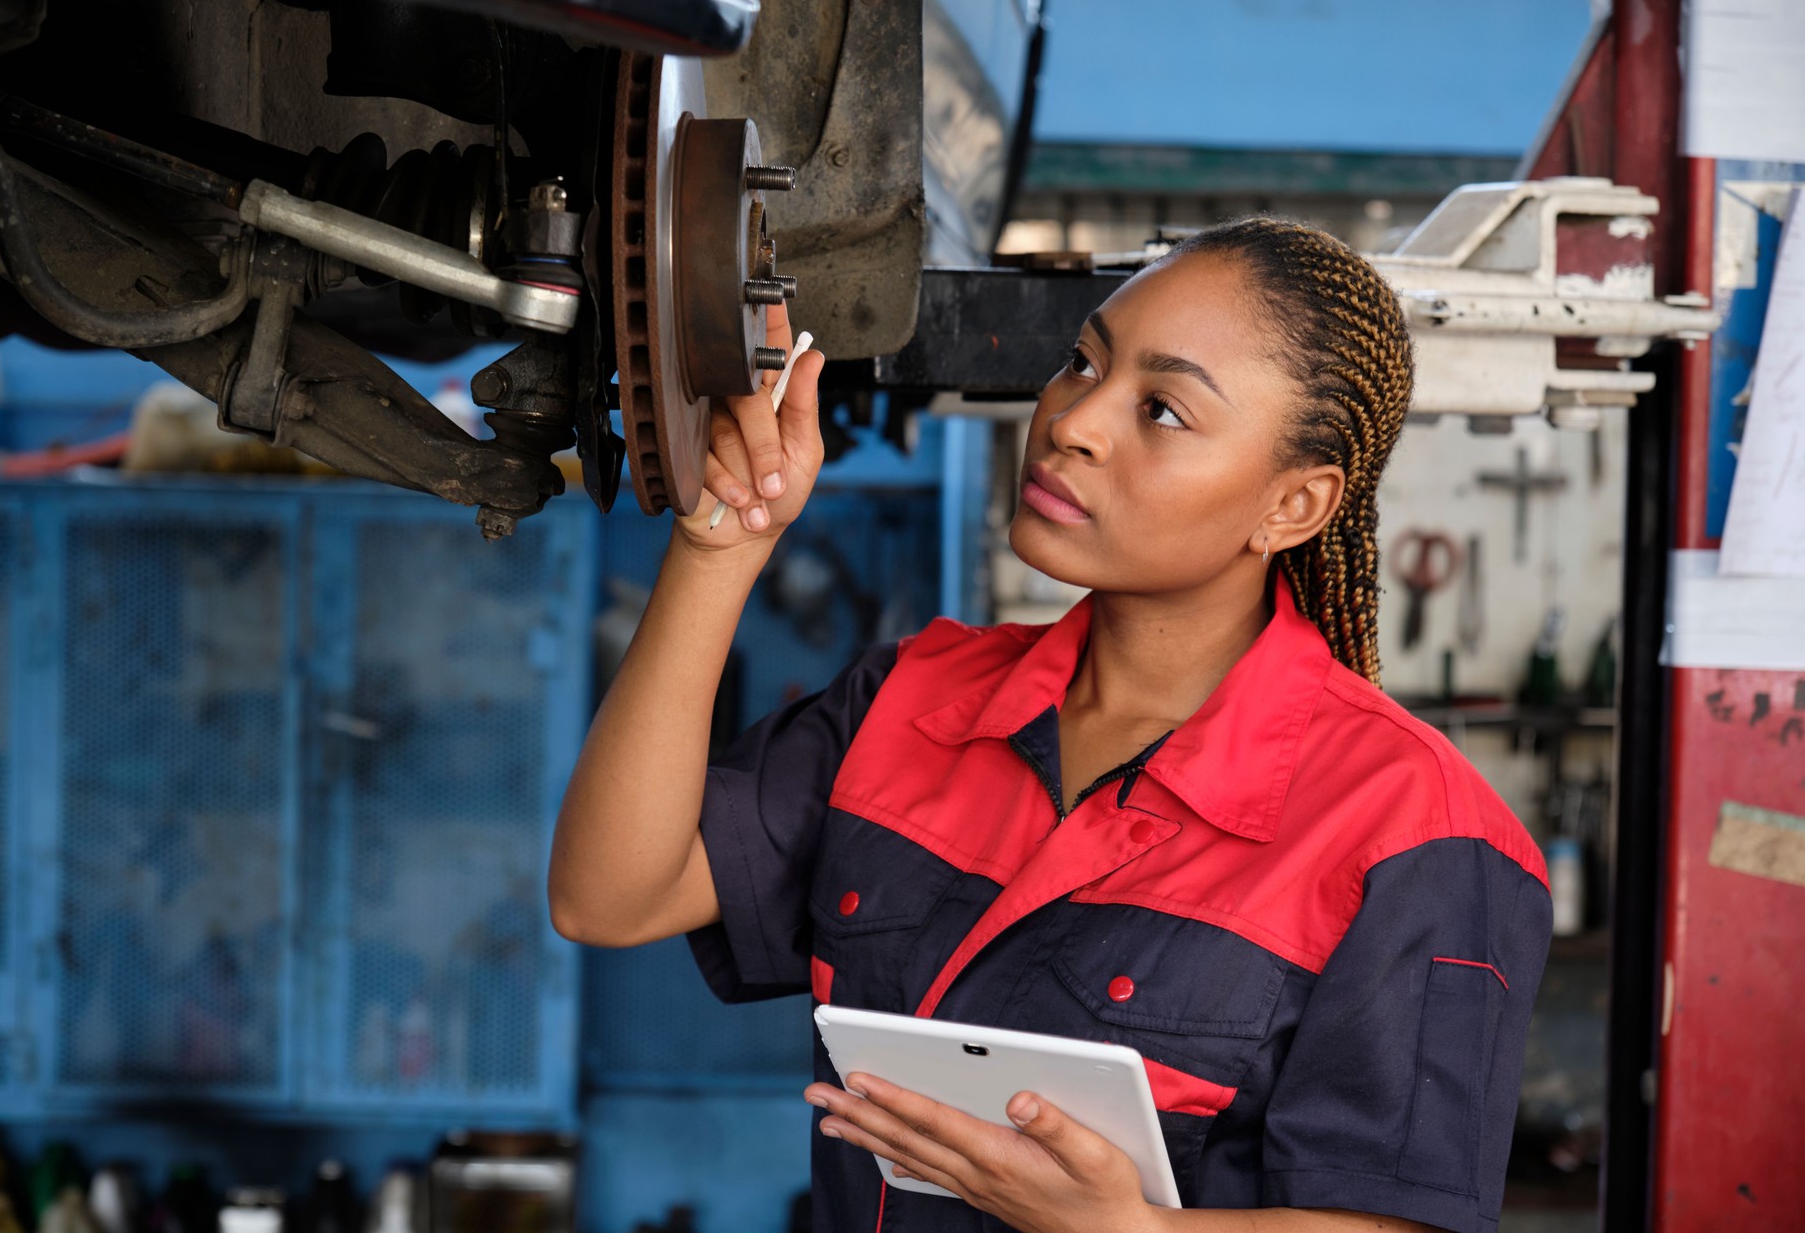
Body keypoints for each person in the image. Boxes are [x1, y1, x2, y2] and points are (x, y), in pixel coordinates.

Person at [551, 216, 1552, 1233]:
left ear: (1293, 504)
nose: (1071, 418)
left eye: (1161, 408)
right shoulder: (911, 698)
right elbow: (609, 896)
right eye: (1082, 361)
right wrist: (720, 553)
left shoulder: (1417, 832)